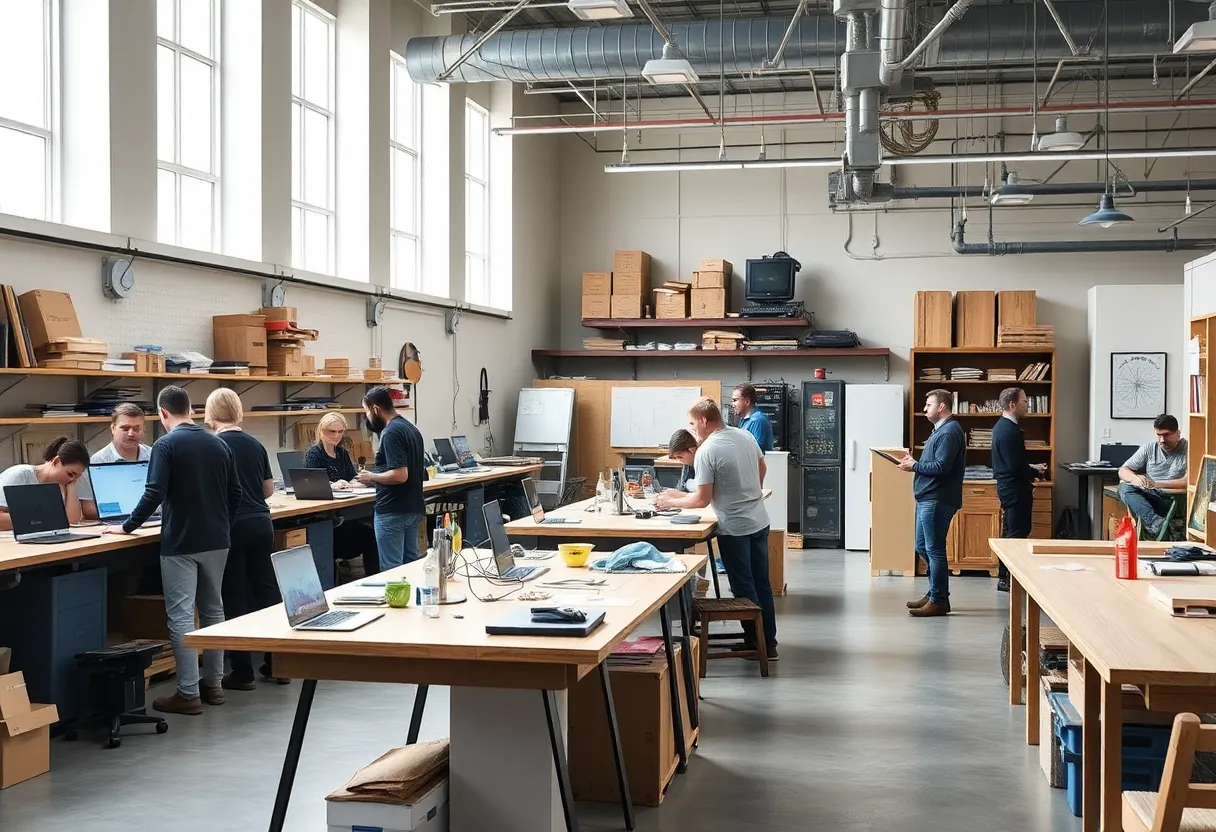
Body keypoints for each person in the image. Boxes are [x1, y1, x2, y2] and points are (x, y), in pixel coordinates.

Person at [104, 385, 240, 716]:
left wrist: (126, 527)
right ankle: (215, 686)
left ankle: (188, 693)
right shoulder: (217, 442)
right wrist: (223, 524)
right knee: (213, 612)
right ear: (190, 410)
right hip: (217, 540)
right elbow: (235, 492)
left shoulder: (166, 445)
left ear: (162, 412)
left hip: (180, 543)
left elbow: (153, 493)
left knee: (180, 616)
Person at [655, 397, 777, 660]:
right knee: (762, 584)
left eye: (691, 422)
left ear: (702, 420)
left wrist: (670, 501)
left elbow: (701, 500)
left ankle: (755, 645)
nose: (691, 428)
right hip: (759, 519)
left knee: (743, 588)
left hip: (735, 527)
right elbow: (762, 466)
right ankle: (769, 642)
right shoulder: (744, 436)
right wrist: (747, 491)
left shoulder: (708, 450)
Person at [204, 389, 281, 690]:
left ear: (211, 413)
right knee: (268, 592)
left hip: (232, 527)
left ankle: (242, 672)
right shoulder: (255, 443)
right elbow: (268, 489)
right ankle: (278, 664)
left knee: (234, 596)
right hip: (262, 524)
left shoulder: (213, 445)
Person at [899, 389, 966, 617]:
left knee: (934, 550)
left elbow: (941, 467)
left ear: (941, 407)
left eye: (928, 404)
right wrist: (915, 463)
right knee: (922, 547)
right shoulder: (940, 431)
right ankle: (936, 592)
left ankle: (938, 600)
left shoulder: (948, 432)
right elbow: (934, 463)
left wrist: (914, 466)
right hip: (928, 498)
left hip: (937, 500)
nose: (924, 408)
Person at [358, 387, 426, 569]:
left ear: (375, 409)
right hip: (412, 508)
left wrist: (371, 476)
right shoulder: (411, 428)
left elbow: (400, 475)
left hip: (393, 510)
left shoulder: (390, 433)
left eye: (366, 412)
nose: (367, 417)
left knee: (392, 570)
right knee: (411, 566)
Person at [305, 412, 380, 577]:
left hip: (344, 509)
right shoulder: (314, 454)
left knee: (372, 534)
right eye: (332, 431)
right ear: (322, 431)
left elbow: (351, 476)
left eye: (340, 432)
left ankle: (375, 579)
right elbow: (312, 483)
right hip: (325, 516)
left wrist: (357, 480)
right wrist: (333, 485)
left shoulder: (342, 453)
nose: (337, 436)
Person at [991, 388, 1046, 593]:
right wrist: (1033, 472)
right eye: (1024, 401)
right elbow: (1014, 466)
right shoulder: (1008, 430)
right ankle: (1007, 579)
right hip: (1013, 488)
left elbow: (1014, 462)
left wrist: (1032, 467)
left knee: (1012, 532)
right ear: (1012, 404)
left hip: (1011, 486)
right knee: (1016, 535)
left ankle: (1006, 577)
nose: (1027, 404)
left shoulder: (1005, 427)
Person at [79, 403, 153, 520]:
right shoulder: (96, 462)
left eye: (136, 428)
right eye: (125, 428)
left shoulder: (156, 456)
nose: (131, 433)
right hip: (116, 523)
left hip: (156, 521)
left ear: (143, 429)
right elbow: (88, 508)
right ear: (113, 428)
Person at [1117, 414, 1188, 537]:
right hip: (1153, 495)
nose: (1162, 440)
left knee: (1128, 491)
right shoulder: (1149, 448)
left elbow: (1189, 481)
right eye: (1158, 435)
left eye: (1166, 435)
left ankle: (1155, 524)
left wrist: (1155, 483)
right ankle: (1155, 522)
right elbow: (1123, 470)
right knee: (1124, 488)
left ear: (1178, 433)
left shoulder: (1188, 449)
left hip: (1174, 499)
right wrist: (1136, 479)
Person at [0, 437, 91, 531]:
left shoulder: (65, 484)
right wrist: (39, 521)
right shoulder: (19, 475)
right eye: (70, 474)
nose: (72, 479)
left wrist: (72, 485)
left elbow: (72, 521)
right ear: (56, 461)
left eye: (77, 477)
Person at [731, 383, 774, 451]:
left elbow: (756, 452)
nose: (732, 404)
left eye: (735, 400)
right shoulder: (744, 420)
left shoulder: (757, 420)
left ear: (747, 401)